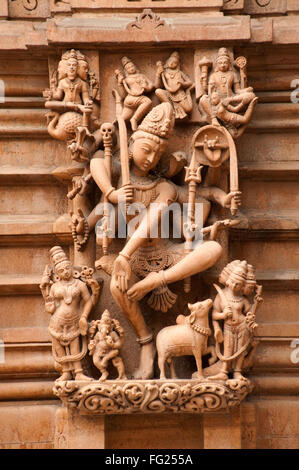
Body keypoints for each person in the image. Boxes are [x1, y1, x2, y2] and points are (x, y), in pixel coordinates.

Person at [75, 102, 241, 379]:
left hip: (164, 258)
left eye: (158, 152)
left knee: (213, 249)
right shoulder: (121, 185)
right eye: (146, 149)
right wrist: (112, 194)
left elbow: (160, 215)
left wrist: (221, 199)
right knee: (118, 285)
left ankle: (156, 280)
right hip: (133, 261)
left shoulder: (164, 187)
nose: (151, 158)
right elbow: (95, 162)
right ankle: (146, 342)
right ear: (130, 148)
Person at [40, 246, 93, 381]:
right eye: (61, 270)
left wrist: (84, 316)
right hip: (57, 321)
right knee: (58, 345)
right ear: (57, 272)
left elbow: (88, 301)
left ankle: (79, 372)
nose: (66, 272)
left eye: (67, 269)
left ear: (72, 268)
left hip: (74, 319)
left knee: (75, 345)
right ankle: (66, 371)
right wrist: (44, 290)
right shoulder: (54, 287)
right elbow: (50, 308)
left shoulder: (79, 284)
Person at [115, 57, 154, 131]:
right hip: (131, 98)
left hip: (136, 100)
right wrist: (120, 83)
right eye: (128, 68)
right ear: (126, 71)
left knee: (122, 119)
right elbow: (123, 95)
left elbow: (151, 86)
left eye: (132, 66)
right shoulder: (126, 79)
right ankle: (134, 119)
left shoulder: (142, 76)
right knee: (147, 101)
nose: (131, 68)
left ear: (135, 67)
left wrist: (146, 87)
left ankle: (119, 125)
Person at [155, 51, 194, 119]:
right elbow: (157, 86)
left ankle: (188, 92)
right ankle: (172, 109)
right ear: (167, 62)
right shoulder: (164, 72)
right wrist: (158, 74)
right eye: (171, 61)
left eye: (175, 62)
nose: (172, 63)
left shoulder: (179, 73)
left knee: (188, 109)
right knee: (158, 91)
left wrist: (183, 84)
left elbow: (190, 82)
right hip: (169, 93)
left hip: (179, 94)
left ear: (178, 64)